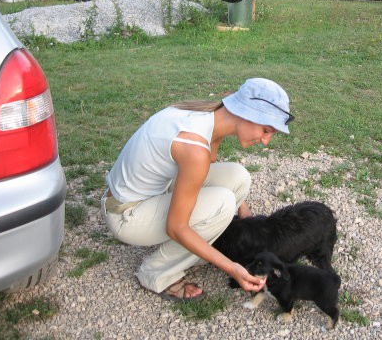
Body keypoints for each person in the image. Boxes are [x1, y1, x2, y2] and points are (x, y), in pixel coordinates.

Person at [101, 78, 293, 301]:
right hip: (126, 214)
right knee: (222, 203)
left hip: (145, 192)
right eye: (266, 130)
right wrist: (232, 268)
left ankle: (200, 241)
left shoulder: (209, 116)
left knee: (238, 178)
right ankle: (156, 272)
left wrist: (245, 212)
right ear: (247, 114)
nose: (266, 141)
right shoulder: (195, 147)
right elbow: (176, 227)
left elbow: (204, 169)